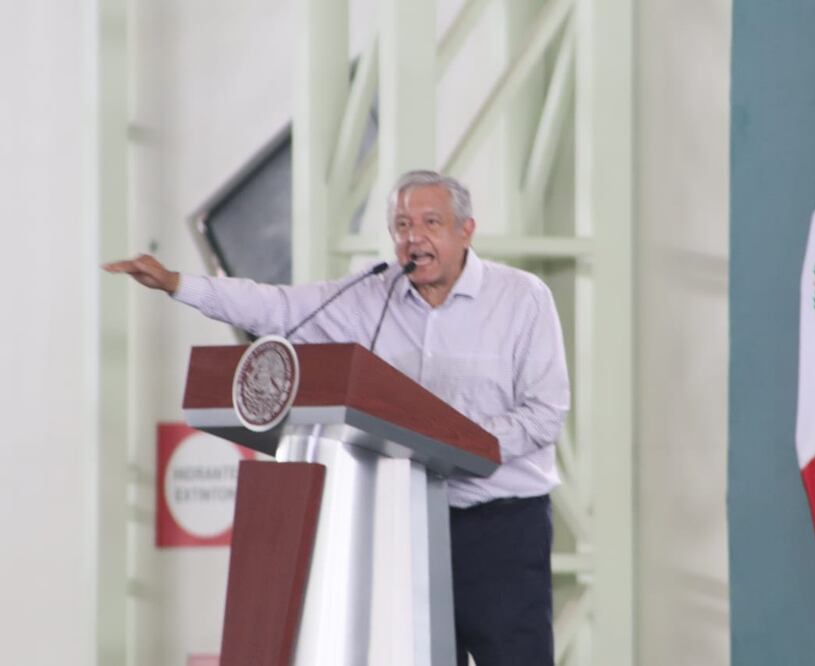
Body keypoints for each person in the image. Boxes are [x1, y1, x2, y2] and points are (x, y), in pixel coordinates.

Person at [104, 170, 570, 666]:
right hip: (407, 524)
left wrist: (462, 444)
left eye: (430, 222)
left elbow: (545, 414)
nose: (414, 237)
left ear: (466, 231)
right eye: (402, 225)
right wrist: (178, 284)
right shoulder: (372, 294)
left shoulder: (522, 298)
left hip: (501, 527)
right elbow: (277, 307)